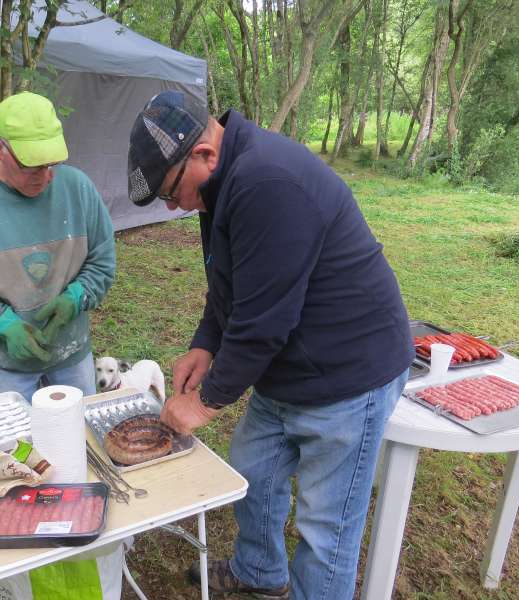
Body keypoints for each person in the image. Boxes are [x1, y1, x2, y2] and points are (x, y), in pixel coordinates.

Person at [127, 90, 414, 600]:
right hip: (288, 366)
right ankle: (259, 572)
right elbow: (231, 285)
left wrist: (203, 401)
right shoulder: (221, 180)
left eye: (171, 190)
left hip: (350, 371)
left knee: (326, 528)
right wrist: (205, 344)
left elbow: (263, 323)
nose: (173, 204)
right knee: (253, 472)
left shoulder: (266, 180)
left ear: (203, 153)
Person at [0, 91, 117, 599]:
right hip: (4, 363)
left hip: (72, 354)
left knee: (78, 457)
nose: (46, 177)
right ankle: (24, 577)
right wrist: (3, 323)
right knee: (13, 470)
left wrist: (77, 295)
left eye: (53, 163)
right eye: (33, 166)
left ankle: (82, 549)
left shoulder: (78, 191)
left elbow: (103, 260)